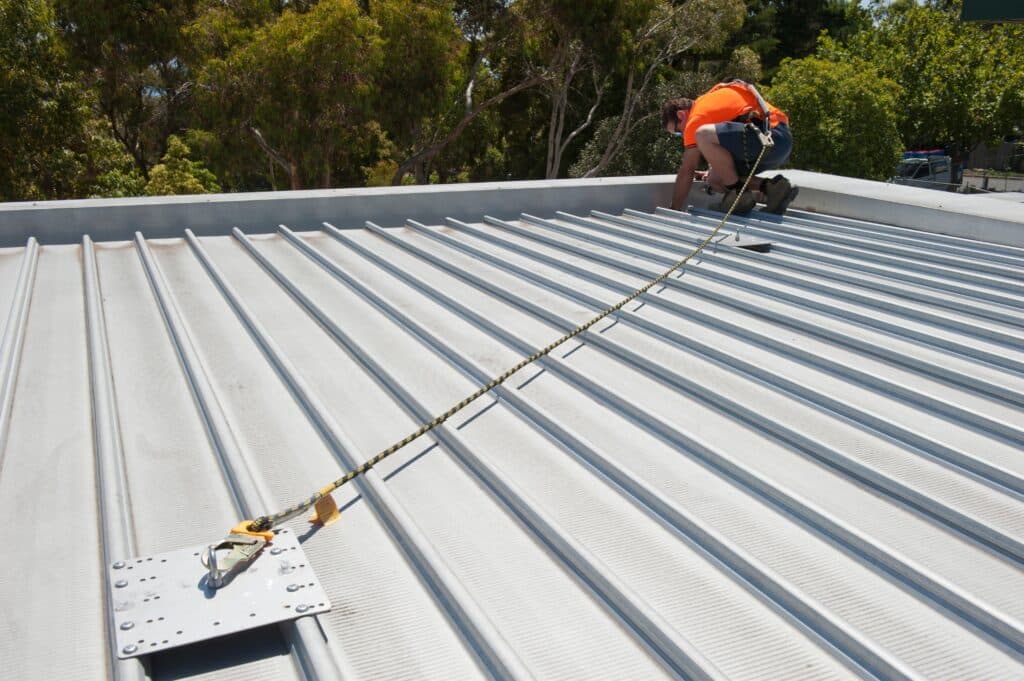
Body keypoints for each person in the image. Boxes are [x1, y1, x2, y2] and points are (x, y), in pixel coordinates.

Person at [663, 80, 797, 215]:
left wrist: (674, 209)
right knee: (714, 179)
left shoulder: (695, 119)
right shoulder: (708, 102)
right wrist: (715, 169)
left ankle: (738, 195)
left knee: (702, 134)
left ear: (681, 115)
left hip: (769, 136)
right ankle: (773, 188)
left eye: (678, 131)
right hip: (780, 142)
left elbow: (687, 170)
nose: (682, 135)